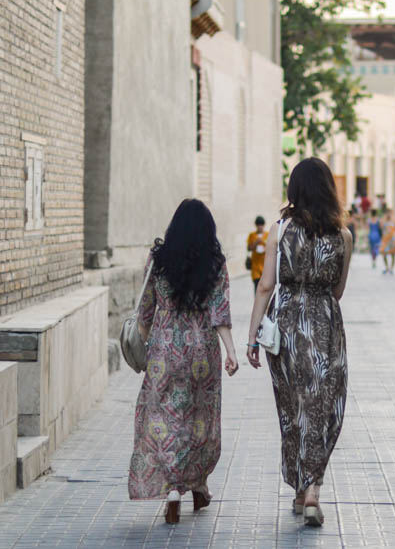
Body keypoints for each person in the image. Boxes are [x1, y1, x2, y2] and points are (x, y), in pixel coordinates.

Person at [246, 157, 352, 527]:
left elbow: (264, 286)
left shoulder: (280, 229)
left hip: (287, 325)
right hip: (324, 326)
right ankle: (312, 493)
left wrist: (253, 336)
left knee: (293, 409)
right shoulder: (343, 236)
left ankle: (299, 486)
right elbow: (338, 290)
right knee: (323, 405)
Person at [129, 199, 239, 524]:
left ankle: (175, 489)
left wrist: (140, 348)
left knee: (163, 415)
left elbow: (146, 311)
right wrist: (231, 351)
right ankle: (197, 485)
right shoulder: (215, 263)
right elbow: (220, 312)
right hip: (202, 349)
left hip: (164, 347)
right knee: (198, 419)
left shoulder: (158, 259)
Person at [247, 216, 269, 292]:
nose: (260, 227)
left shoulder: (267, 234)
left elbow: (271, 247)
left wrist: (264, 244)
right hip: (255, 266)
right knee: (257, 288)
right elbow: (249, 248)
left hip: (265, 266)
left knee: (265, 288)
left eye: (261, 225)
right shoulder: (252, 235)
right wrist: (256, 242)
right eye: (258, 225)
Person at [379, 209, 395, 275]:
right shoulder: (383, 220)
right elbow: (381, 228)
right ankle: (386, 267)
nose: (388, 214)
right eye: (387, 212)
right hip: (385, 239)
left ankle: (391, 268)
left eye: (390, 213)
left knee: (393, 254)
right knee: (384, 254)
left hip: (393, 239)